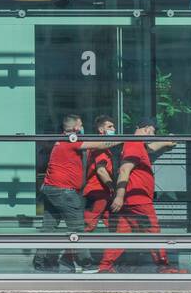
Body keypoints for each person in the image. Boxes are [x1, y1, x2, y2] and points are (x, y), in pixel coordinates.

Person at [33, 112, 116, 273]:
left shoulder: (61, 140)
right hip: (64, 191)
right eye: (81, 124)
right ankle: (86, 263)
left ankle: (40, 261)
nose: (83, 127)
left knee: (48, 228)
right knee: (77, 227)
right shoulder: (72, 139)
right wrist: (123, 139)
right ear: (76, 127)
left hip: (50, 188)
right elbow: (100, 145)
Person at [98, 119, 179, 273]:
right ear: (148, 130)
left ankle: (104, 267)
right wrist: (119, 196)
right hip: (138, 199)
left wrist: (165, 142)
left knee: (121, 234)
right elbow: (124, 170)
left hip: (130, 200)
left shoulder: (135, 144)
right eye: (154, 132)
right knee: (153, 231)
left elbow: (150, 148)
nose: (154, 135)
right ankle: (164, 267)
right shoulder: (135, 144)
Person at [82, 114, 119, 238]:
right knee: (89, 226)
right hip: (98, 192)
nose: (113, 129)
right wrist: (113, 187)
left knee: (114, 226)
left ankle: (112, 255)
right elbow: (101, 170)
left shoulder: (102, 147)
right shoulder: (100, 148)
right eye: (110, 126)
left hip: (103, 193)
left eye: (113, 126)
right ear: (101, 130)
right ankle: (70, 255)